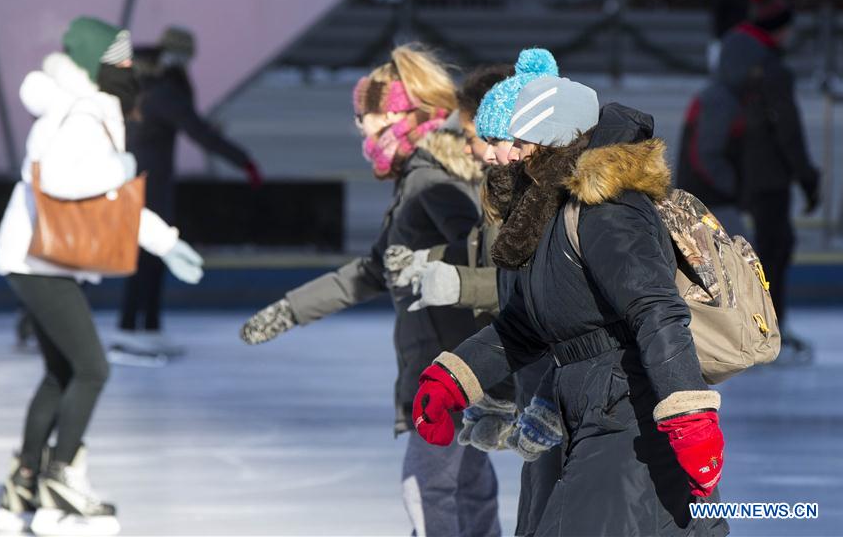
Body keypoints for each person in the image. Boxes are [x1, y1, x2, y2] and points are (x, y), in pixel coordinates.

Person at [412, 75, 730, 536]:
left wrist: (691, 418)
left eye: (521, 140)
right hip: (588, 407)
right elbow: (524, 326)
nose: (512, 154)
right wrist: (452, 379)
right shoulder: (555, 213)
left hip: (628, 414)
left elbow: (656, 309)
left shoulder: (609, 208)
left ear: (552, 140)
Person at [240, 44, 500, 536]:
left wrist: (425, 267)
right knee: (465, 482)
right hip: (452, 361)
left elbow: (477, 251)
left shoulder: (428, 177)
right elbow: (372, 270)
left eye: (370, 119)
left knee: (430, 485)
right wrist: (289, 310)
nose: (362, 130)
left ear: (401, 116)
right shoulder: (417, 179)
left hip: (447, 364)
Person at [0, 16, 204, 536]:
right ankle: (59, 492)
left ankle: (23, 485)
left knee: (61, 373)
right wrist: (123, 167)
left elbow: (103, 206)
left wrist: (165, 241)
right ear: (95, 66)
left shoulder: (80, 106)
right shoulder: (83, 112)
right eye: (120, 62)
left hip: (31, 257)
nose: (130, 71)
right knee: (92, 370)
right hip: (41, 262)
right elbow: (69, 183)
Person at [393, 49, 565, 537]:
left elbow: (544, 295)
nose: (478, 151)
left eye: (482, 137)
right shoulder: (502, 192)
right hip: (515, 377)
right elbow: (519, 300)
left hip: (563, 391)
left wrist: (455, 284)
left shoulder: (552, 201)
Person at [115, 26, 262, 357]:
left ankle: (143, 326)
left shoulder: (140, 88)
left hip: (135, 182)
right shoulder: (164, 92)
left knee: (146, 257)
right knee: (149, 257)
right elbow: (199, 132)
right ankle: (135, 327)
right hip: (149, 187)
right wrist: (244, 161)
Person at [721, 0, 819, 358]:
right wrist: (807, 177)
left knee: (763, 249)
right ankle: (769, 328)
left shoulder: (739, 55)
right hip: (771, 176)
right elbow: (787, 130)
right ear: (780, 27)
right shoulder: (772, 67)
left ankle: (764, 325)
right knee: (775, 249)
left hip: (745, 171)